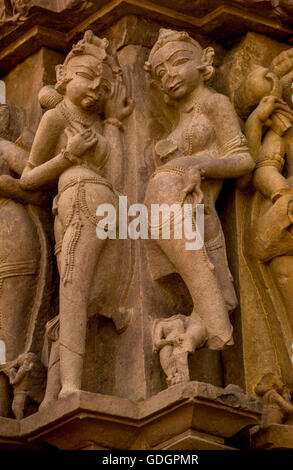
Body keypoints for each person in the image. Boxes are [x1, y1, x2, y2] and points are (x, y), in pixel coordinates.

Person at [20, 30, 133, 399]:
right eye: (86, 76)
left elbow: (117, 173)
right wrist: (67, 156)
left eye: (103, 86)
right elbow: (29, 178)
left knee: (95, 293)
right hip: (77, 201)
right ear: (62, 76)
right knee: (73, 289)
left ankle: (54, 391)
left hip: (110, 209)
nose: (94, 89)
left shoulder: (99, 123)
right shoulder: (56, 118)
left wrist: (114, 122)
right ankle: (71, 387)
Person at [144, 29, 255, 351]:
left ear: (204, 61)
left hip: (197, 207)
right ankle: (192, 337)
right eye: (160, 72)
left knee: (220, 296)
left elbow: (242, 159)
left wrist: (199, 166)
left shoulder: (214, 103)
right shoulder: (177, 121)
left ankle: (187, 337)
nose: (169, 76)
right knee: (207, 291)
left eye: (178, 63)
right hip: (169, 206)